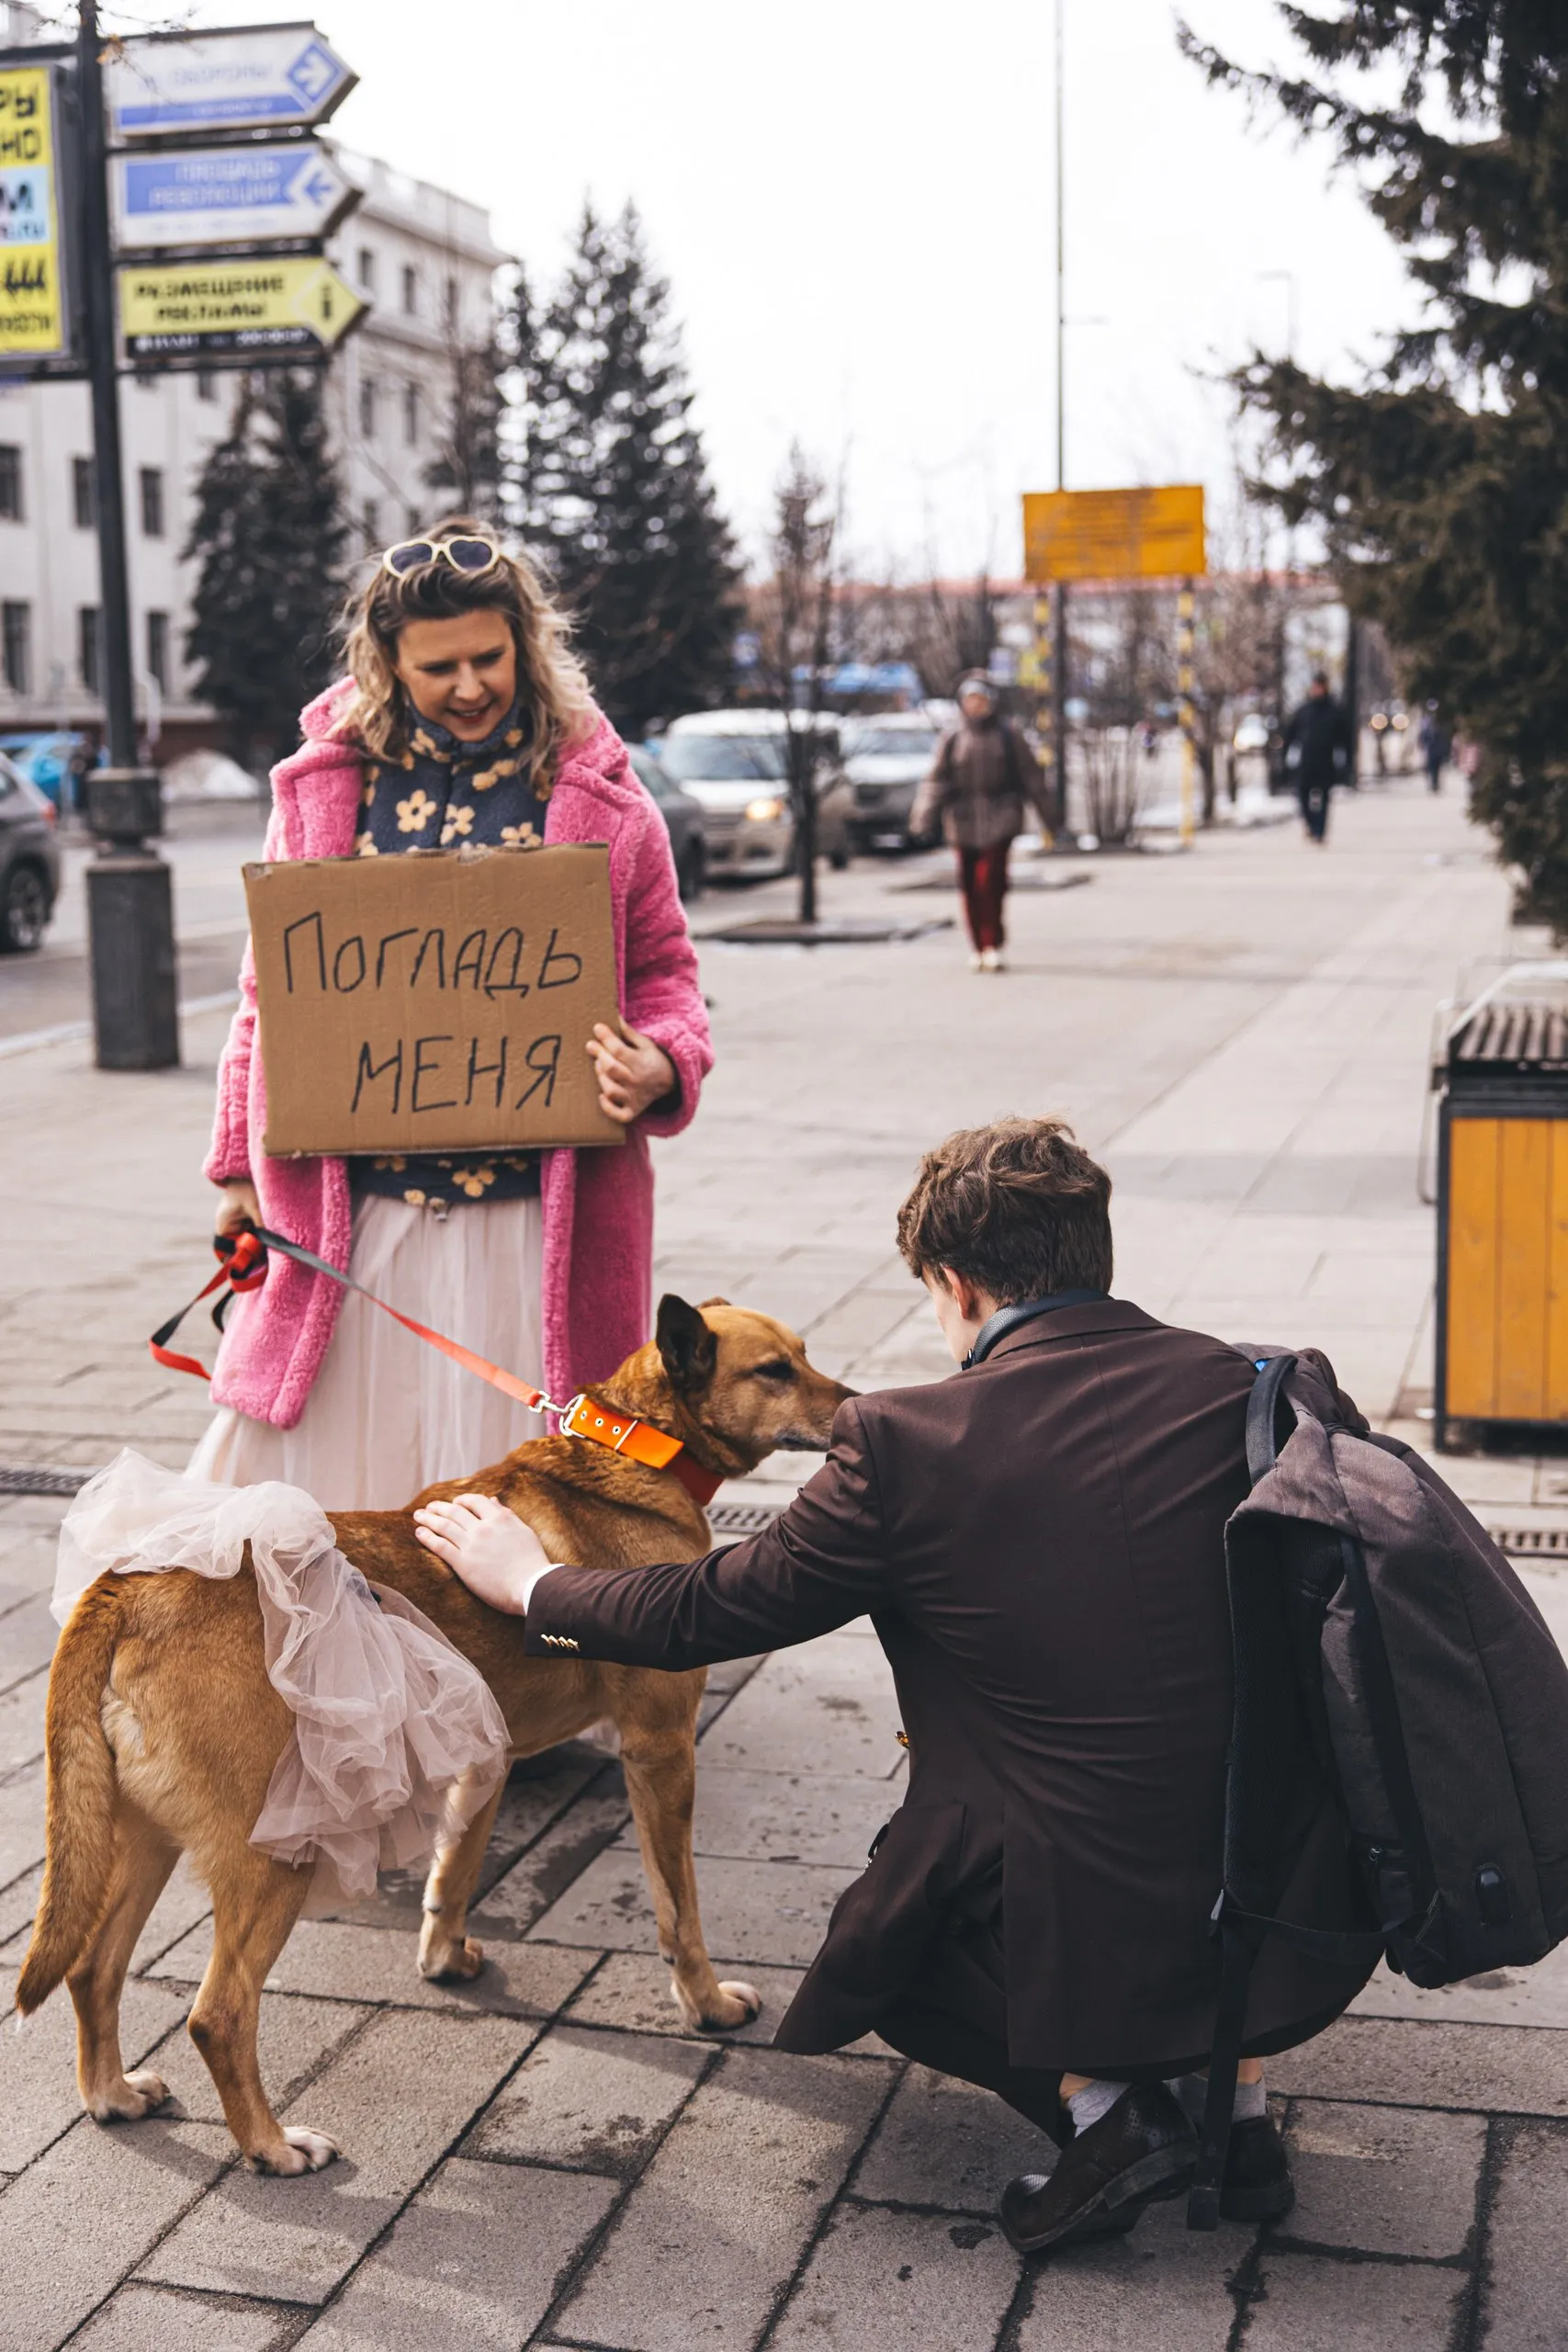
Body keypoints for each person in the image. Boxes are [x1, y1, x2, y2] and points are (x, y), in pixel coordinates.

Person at [412, 1117, 1378, 2251]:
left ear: (957, 1286)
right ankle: (1241, 2116)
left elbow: (707, 1609)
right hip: (1301, 1877)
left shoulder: (909, 1442)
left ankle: (1113, 2115)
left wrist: (532, 1585)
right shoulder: (1270, 1385)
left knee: (887, 1948)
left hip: (1085, 1889)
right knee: (1195, 1762)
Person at [189, 519, 712, 1509]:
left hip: (535, 1220)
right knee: (336, 1488)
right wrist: (234, 1172)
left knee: (523, 1494)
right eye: (439, 667)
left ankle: (523, 1657)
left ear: (527, 642)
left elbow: (665, 970)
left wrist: (664, 1062)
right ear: (387, 662)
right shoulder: (324, 792)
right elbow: (268, 996)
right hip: (357, 1217)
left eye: (489, 656)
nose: (469, 685)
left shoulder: (601, 793)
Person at [910, 675, 1049, 972]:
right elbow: (936, 780)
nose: (975, 705)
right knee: (970, 884)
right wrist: (923, 817)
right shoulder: (953, 738)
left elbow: (1032, 778)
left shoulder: (1008, 735)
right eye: (970, 700)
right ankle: (977, 945)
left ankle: (993, 943)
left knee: (991, 881)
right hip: (962, 820)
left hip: (1001, 816)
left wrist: (1051, 817)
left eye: (980, 699)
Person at [1282, 671, 1353, 844]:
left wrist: (1346, 762)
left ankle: (1320, 830)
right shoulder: (1304, 710)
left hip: (1326, 761)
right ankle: (1311, 824)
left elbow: (1345, 738)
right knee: (1302, 795)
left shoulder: (1334, 711)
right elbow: (1290, 734)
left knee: (1324, 798)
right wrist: (1286, 755)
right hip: (1306, 761)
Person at [1420, 707, 1451, 794]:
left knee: (1437, 768)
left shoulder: (1442, 725)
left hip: (1439, 750)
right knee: (1432, 768)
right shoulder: (1426, 723)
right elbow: (1423, 736)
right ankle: (1433, 784)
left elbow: (1446, 738)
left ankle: (1436, 784)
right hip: (1431, 750)